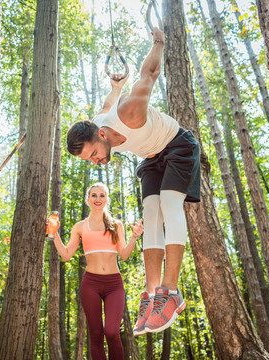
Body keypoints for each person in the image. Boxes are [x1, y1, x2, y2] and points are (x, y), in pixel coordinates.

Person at [65, 27, 201, 336]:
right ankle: (154, 298)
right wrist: (115, 85)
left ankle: (171, 291)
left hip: (177, 144)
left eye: (94, 154)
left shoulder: (130, 112)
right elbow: (107, 102)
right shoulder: (98, 124)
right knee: (151, 211)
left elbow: (150, 72)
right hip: (151, 157)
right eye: (89, 160)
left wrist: (159, 42)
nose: (96, 161)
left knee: (168, 203)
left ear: (101, 135)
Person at [48, 183, 143, 360]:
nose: (98, 199)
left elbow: (123, 255)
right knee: (96, 335)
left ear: (106, 199)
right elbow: (67, 255)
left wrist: (135, 237)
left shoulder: (116, 225)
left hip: (114, 284)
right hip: (90, 284)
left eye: (101, 195)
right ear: (88, 199)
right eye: (94, 195)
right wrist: (54, 234)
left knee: (112, 331)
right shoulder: (79, 227)